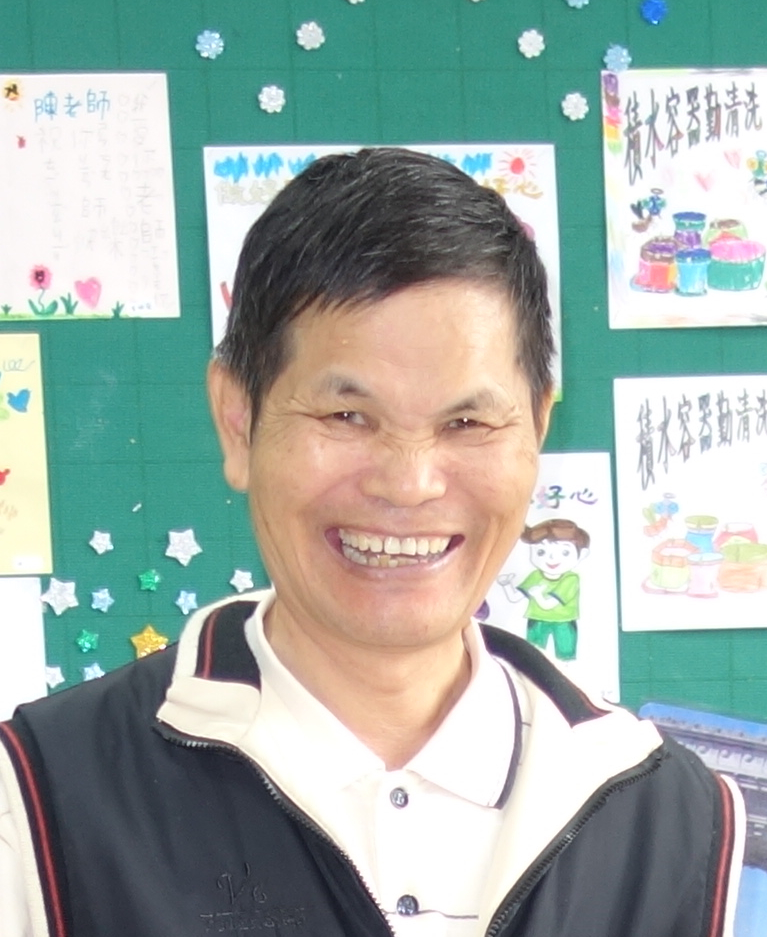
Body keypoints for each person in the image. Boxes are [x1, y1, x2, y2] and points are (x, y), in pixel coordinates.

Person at [0, 148, 744, 937]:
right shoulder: (45, 801)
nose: (409, 483)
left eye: (467, 421)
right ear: (237, 420)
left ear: (535, 428)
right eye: (347, 417)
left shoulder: (671, 822)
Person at [515, 518, 590, 661]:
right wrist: (506, 584)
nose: (551, 558)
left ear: (582, 555)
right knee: (533, 656)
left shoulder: (571, 579)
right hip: (536, 621)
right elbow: (515, 596)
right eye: (541, 552)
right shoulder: (535, 576)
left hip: (563, 622)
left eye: (565, 552)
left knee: (565, 656)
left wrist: (537, 595)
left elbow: (547, 604)